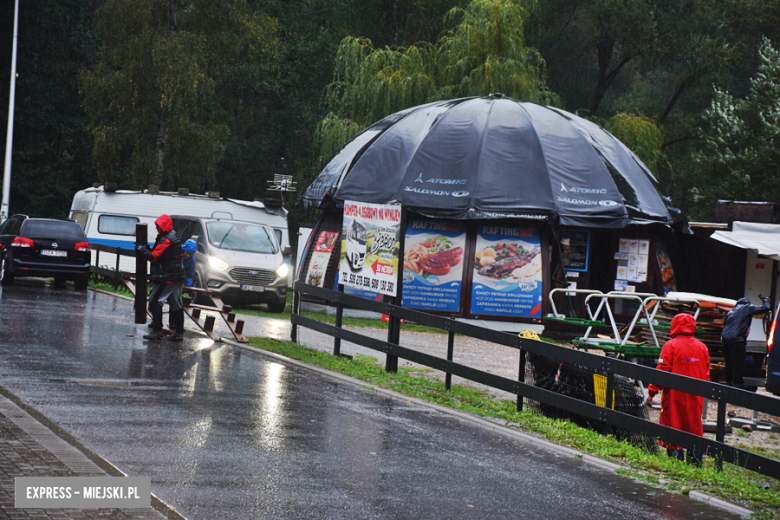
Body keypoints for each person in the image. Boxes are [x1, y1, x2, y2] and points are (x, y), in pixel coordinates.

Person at [647, 313, 710, 464]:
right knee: (694, 426)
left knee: (674, 424)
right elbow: (707, 376)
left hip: (675, 396)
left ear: (674, 325)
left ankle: (676, 462)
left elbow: (661, 371)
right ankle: (696, 461)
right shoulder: (702, 348)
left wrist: (651, 392)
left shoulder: (670, 346)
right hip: (696, 396)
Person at [138, 215, 186, 341]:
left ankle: (157, 330)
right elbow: (161, 253)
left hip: (167, 277)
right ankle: (179, 333)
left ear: (164, 225)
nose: (156, 227)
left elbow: (154, 256)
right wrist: (146, 249)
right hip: (176, 275)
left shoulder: (166, 239)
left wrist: (143, 250)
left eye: (158, 225)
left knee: (154, 301)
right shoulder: (172, 235)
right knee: (176, 304)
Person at [721, 295, 770, 387]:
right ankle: (738, 383)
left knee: (729, 362)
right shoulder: (747, 308)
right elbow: (765, 308)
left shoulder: (730, 312)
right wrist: (765, 300)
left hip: (725, 340)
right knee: (738, 361)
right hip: (737, 339)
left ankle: (728, 382)